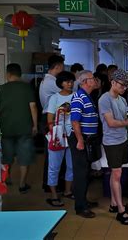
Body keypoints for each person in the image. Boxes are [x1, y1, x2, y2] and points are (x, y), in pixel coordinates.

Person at [99, 69, 128, 225]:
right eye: (122, 85)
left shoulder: (122, 100)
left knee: (116, 173)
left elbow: (124, 118)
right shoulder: (105, 99)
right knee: (116, 173)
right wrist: (127, 122)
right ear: (113, 83)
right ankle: (120, 210)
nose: (125, 88)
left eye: (126, 85)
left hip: (122, 139)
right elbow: (110, 122)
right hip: (112, 142)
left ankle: (113, 203)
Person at [0, 63, 38, 193]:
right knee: (24, 157)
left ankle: (7, 178)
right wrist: (35, 125)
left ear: (8, 74)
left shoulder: (1, 89)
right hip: (25, 128)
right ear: (20, 74)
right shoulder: (27, 88)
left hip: (7, 128)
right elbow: (33, 107)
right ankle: (22, 184)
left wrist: (4, 121)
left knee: (7, 156)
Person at [70, 70, 100, 218]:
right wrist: (80, 140)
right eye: (92, 78)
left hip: (88, 138)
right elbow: (75, 120)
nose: (94, 80)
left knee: (87, 171)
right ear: (84, 82)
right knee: (81, 173)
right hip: (80, 139)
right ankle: (80, 207)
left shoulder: (88, 96)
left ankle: (84, 200)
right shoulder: (78, 97)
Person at [45, 71, 75, 207]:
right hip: (58, 136)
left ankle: (68, 191)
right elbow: (49, 119)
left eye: (71, 81)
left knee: (71, 165)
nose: (70, 84)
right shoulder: (54, 98)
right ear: (60, 83)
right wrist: (56, 134)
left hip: (72, 135)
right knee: (54, 167)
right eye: (67, 81)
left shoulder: (76, 97)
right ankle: (54, 195)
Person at [39, 54, 65, 192]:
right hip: (50, 119)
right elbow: (67, 92)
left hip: (50, 118)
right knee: (53, 153)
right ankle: (50, 184)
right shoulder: (52, 82)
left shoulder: (47, 80)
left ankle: (51, 183)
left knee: (53, 153)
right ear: (58, 66)